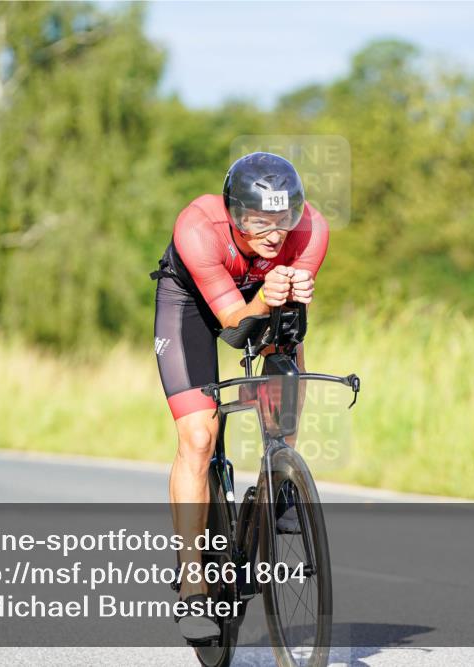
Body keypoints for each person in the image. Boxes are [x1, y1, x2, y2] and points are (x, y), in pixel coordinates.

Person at [150, 152, 329, 641]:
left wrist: (293, 291)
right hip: (192, 306)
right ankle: (193, 583)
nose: (274, 234)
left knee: (287, 360)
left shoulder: (311, 228)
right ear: (235, 213)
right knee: (198, 438)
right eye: (258, 221)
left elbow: (284, 324)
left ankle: (281, 478)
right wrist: (267, 296)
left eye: (283, 219)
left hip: (259, 299)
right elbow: (233, 325)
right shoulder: (198, 227)